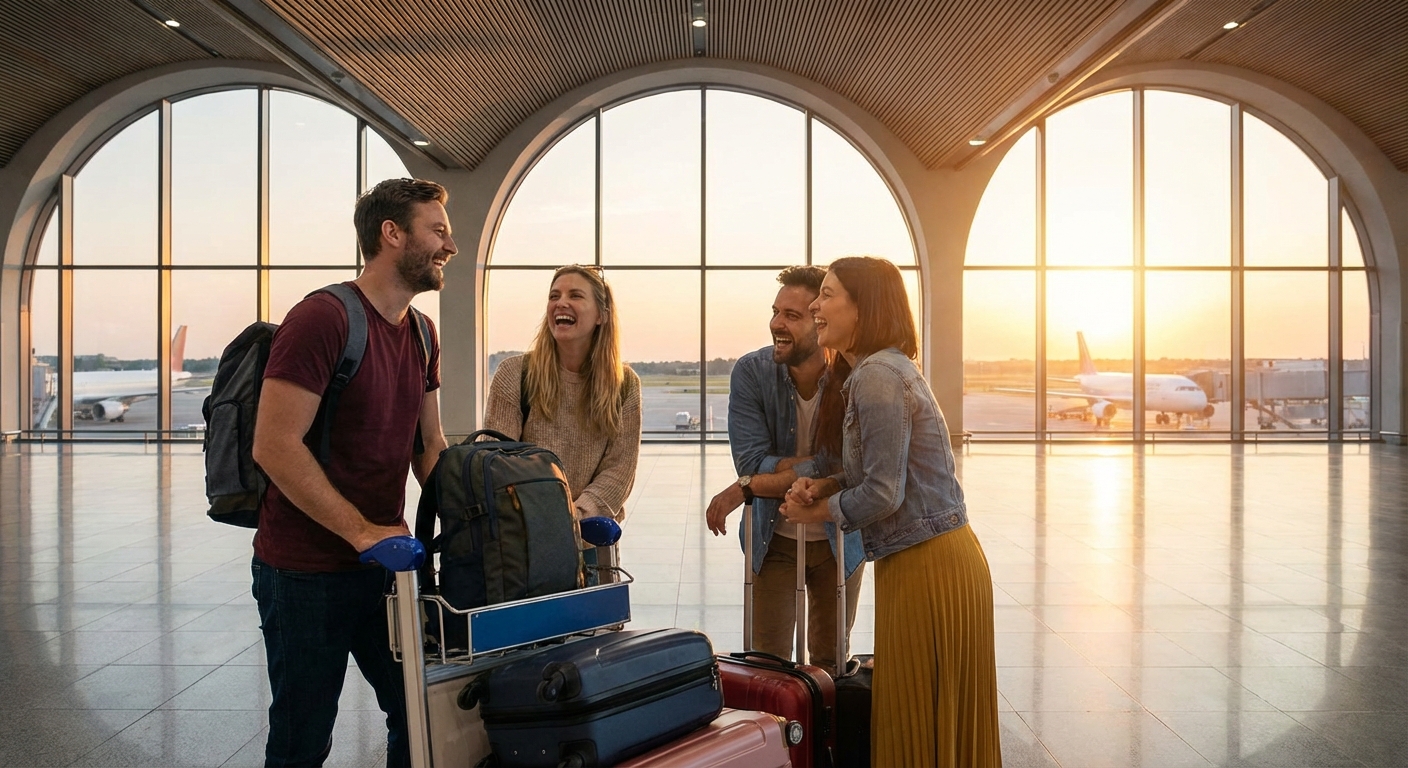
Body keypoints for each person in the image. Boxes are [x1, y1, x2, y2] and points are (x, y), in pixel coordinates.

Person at [250, 178, 455, 768]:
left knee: (417, 714)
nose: (449, 245)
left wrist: (476, 521)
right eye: (437, 231)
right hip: (305, 571)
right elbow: (275, 444)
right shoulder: (323, 318)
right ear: (392, 234)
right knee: (303, 733)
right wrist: (361, 531)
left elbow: (429, 445)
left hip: (384, 567)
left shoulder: (421, 333)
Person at [782, 256, 1002, 767]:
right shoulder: (883, 368)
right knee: (930, 718)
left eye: (829, 294)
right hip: (928, 559)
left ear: (865, 308)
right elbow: (879, 473)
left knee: (915, 719)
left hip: (929, 565)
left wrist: (818, 513)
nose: (816, 304)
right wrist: (827, 485)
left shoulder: (876, 375)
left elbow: (883, 493)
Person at [705, 266, 864, 674]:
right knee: (768, 666)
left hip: (838, 539)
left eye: (792, 316)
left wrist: (751, 486)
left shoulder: (853, 377)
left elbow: (853, 465)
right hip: (771, 537)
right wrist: (819, 465)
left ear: (820, 320)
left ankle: (824, 739)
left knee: (830, 665)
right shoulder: (751, 372)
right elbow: (752, 463)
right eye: (776, 312)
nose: (777, 323)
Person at [482, 264, 642, 536]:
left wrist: (574, 518)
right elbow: (496, 461)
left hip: (590, 536)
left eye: (575, 296)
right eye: (554, 296)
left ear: (601, 315)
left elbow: (618, 472)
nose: (561, 303)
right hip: (521, 537)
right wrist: (546, 516)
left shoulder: (624, 384)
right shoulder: (515, 374)